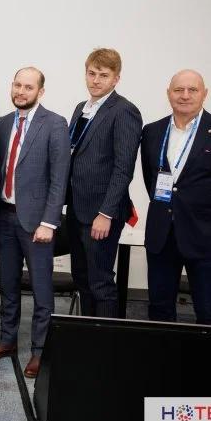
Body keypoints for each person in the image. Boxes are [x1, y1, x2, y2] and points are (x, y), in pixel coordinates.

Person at [141, 70, 211, 325]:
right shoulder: (152, 131)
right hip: (161, 236)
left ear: (205, 94)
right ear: (168, 94)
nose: (185, 95)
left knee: (210, 312)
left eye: (192, 90)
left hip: (206, 236)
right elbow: (152, 179)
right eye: (178, 90)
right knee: (159, 311)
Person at [0, 67, 69, 378]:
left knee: (42, 291)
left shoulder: (55, 124)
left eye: (28, 87)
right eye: (17, 85)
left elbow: (59, 178)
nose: (21, 91)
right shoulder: (2, 124)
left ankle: (41, 351)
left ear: (40, 92)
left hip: (36, 223)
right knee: (8, 284)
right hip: (4, 217)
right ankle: (7, 341)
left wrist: (49, 222)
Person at [66, 48, 142, 318]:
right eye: (92, 73)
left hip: (101, 214)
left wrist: (106, 214)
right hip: (77, 209)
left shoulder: (124, 111)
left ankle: (107, 340)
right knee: (82, 278)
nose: (96, 80)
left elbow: (123, 169)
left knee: (100, 283)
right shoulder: (81, 108)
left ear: (116, 78)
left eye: (104, 75)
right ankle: (89, 334)